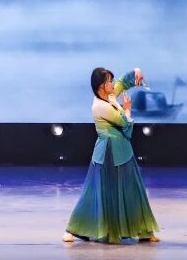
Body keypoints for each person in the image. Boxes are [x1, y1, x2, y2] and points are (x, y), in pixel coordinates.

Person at [63, 67, 160, 244]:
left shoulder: (109, 96)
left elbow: (122, 82)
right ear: (101, 86)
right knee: (94, 192)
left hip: (123, 151)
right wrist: (127, 109)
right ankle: (74, 229)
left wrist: (135, 72)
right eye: (109, 81)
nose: (112, 84)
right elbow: (124, 123)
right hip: (107, 154)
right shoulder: (100, 106)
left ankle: (144, 231)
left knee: (134, 190)